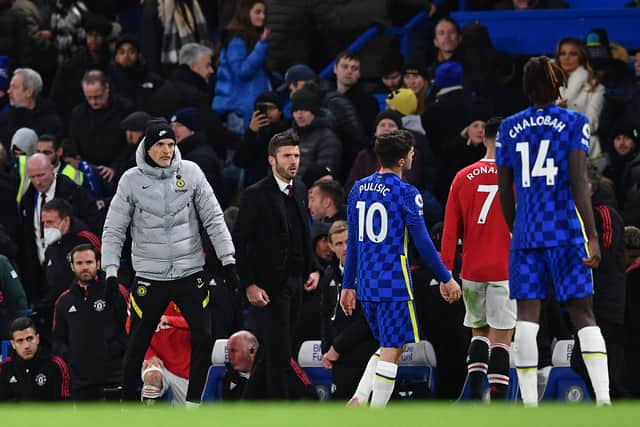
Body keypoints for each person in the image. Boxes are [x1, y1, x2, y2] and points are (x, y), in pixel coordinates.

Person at [496, 56, 611, 406]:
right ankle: (604, 400)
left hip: (528, 232)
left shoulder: (508, 127)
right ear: (559, 84)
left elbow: (505, 189)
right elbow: (578, 180)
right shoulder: (574, 121)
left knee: (527, 318)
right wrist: (591, 234)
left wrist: (516, 228)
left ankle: (530, 404)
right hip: (566, 230)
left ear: (526, 88)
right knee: (583, 313)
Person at [101, 121, 239, 405]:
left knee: (204, 336)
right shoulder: (130, 180)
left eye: (170, 144)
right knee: (138, 343)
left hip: (189, 271)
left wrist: (228, 260)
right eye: (159, 145)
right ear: (147, 148)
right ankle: (128, 407)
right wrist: (111, 271)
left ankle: (192, 405)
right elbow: (114, 228)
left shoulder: (191, 173)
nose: (166, 150)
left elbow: (213, 217)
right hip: (150, 276)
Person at [340, 129, 461, 408]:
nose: (413, 156)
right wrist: (446, 277)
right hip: (393, 281)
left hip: (366, 282)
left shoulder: (358, 189)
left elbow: (354, 243)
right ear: (403, 159)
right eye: (412, 152)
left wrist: (348, 285)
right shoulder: (406, 193)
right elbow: (422, 242)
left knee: (390, 345)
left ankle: (359, 397)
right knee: (393, 349)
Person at [233, 129, 320, 399]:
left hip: (297, 282)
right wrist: (248, 284)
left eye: (296, 155)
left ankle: (247, 410)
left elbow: (303, 233)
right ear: (272, 160)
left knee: (274, 352)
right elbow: (239, 244)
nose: (293, 161)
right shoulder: (255, 194)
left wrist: (313, 267)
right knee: (280, 356)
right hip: (269, 288)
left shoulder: (302, 189)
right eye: (287, 156)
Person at [441, 117, 515, 401]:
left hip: (471, 269)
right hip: (505, 268)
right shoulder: (517, 176)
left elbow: (450, 231)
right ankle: (497, 406)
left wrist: (446, 273)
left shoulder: (462, 176)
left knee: (479, 334)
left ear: (485, 139)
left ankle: (472, 396)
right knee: (501, 340)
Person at [52, 244, 128, 401]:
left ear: (98, 264)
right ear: (72, 266)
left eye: (89, 262)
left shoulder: (116, 291)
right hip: (81, 381)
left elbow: (130, 328)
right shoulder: (64, 301)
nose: (84, 267)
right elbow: (58, 339)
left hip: (113, 376)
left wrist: (113, 349)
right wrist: (71, 356)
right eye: (79, 263)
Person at [320, 220, 378, 399]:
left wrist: (336, 347)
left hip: (366, 355)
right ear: (331, 246)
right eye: (339, 243)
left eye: (348, 242)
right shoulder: (329, 275)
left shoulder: (369, 273)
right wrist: (326, 349)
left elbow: (368, 320)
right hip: (340, 359)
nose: (345, 248)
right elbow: (324, 315)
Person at [212, 0, 270, 132]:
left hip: (250, 110)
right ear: (245, 12)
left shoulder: (252, 38)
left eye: (264, 12)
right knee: (242, 150)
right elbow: (242, 71)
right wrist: (262, 46)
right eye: (257, 12)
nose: (262, 16)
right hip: (241, 113)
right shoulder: (236, 41)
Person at [69, 69, 134, 185]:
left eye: (97, 96)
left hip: (118, 173)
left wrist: (115, 167)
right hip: (87, 171)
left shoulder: (125, 109)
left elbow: (130, 145)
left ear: (107, 89)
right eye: (89, 97)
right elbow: (74, 141)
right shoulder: (78, 113)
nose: (93, 102)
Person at [556, 38, 605, 159]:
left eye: (573, 54)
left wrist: (567, 114)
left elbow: (592, 124)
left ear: (582, 57)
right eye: (563, 53)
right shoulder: (549, 85)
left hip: (583, 148)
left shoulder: (595, 87)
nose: (566, 58)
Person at [0, 317, 70, 401]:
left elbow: (64, 406)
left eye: (30, 339)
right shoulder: (4, 368)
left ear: (37, 339)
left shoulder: (56, 365)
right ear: (13, 344)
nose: (26, 346)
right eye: (20, 341)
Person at [138, 301, 191, 404]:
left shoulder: (189, 290)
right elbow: (132, 328)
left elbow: (201, 321)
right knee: (152, 375)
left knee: (192, 417)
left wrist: (169, 320)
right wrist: (150, 355)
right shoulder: (144, 292)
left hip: (184, 366)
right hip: (158, 360)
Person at [221, 330, 259, 400]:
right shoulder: (229, 377)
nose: (229, 356)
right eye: (228, 351)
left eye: (234, 351)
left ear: (252, 351)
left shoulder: (267, 376)